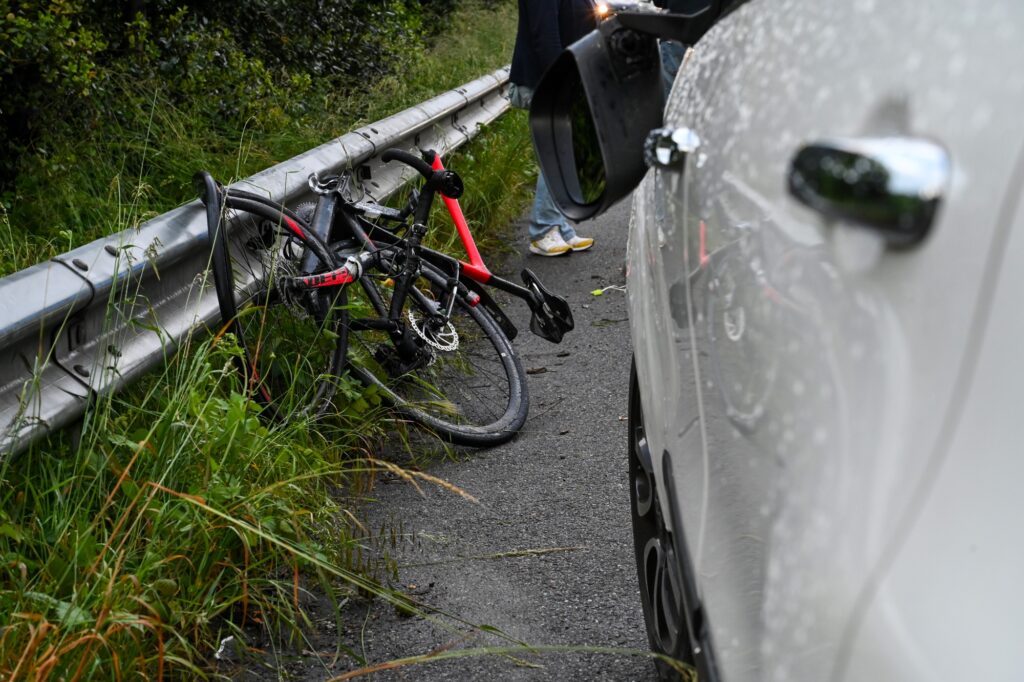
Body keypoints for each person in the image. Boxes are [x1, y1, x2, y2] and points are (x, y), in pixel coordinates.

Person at [510, 0, 597, 257]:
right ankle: (542, 230)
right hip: (546, 80)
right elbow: (544, 35)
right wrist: (561, 80)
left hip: (561, 77)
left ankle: (558, 226)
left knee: (564, 153)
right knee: (555, 154)